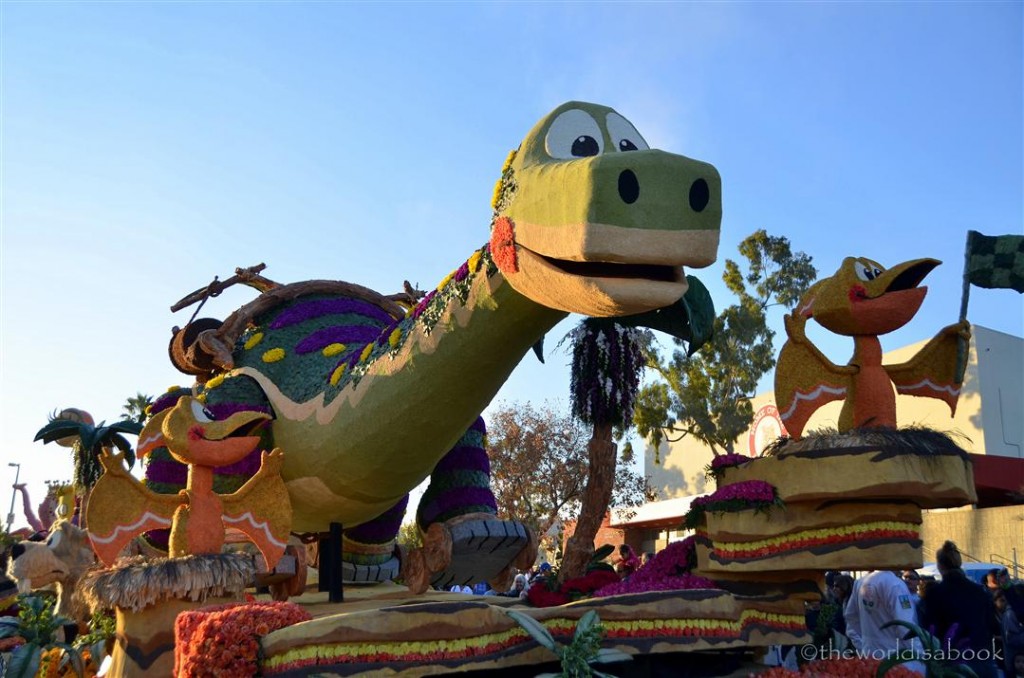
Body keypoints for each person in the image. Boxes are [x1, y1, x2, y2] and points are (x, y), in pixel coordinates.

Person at [919, 541, 1001, 678]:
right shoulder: (981, 592)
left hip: (950, 661)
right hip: (982, 658)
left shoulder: (935, 594)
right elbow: (993, 625)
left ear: (940, 566)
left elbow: (929, 630)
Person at [844, 570, 922, 673]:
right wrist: (921, 655)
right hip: (896, 661)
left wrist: (865, 643)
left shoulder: (860, 582)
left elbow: (850, 617)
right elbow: (906, 627)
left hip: (869, 657)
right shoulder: (895, 584)